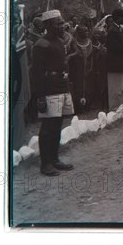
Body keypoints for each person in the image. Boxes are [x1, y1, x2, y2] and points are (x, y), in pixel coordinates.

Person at [30, 10, 75, 176]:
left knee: (58, 125)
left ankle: (55, 158)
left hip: (61, 86)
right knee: (48, 127)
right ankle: (45, 164)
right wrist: (40, 96)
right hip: (49, 89)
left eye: (62, 22)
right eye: (58, 23)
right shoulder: (41, 44)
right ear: (48, 26)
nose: (62, 26)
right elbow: (37, 73)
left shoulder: (59, 41)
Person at [106, 8, 123, 112]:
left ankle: (120, 110)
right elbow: (116, 48)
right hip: (115, 66)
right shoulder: (112, 31)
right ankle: (114, 111)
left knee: (122, 90)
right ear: (118, 18)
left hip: (121, 64)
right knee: (115, 91)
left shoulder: (118, 29)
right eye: (122, 16)